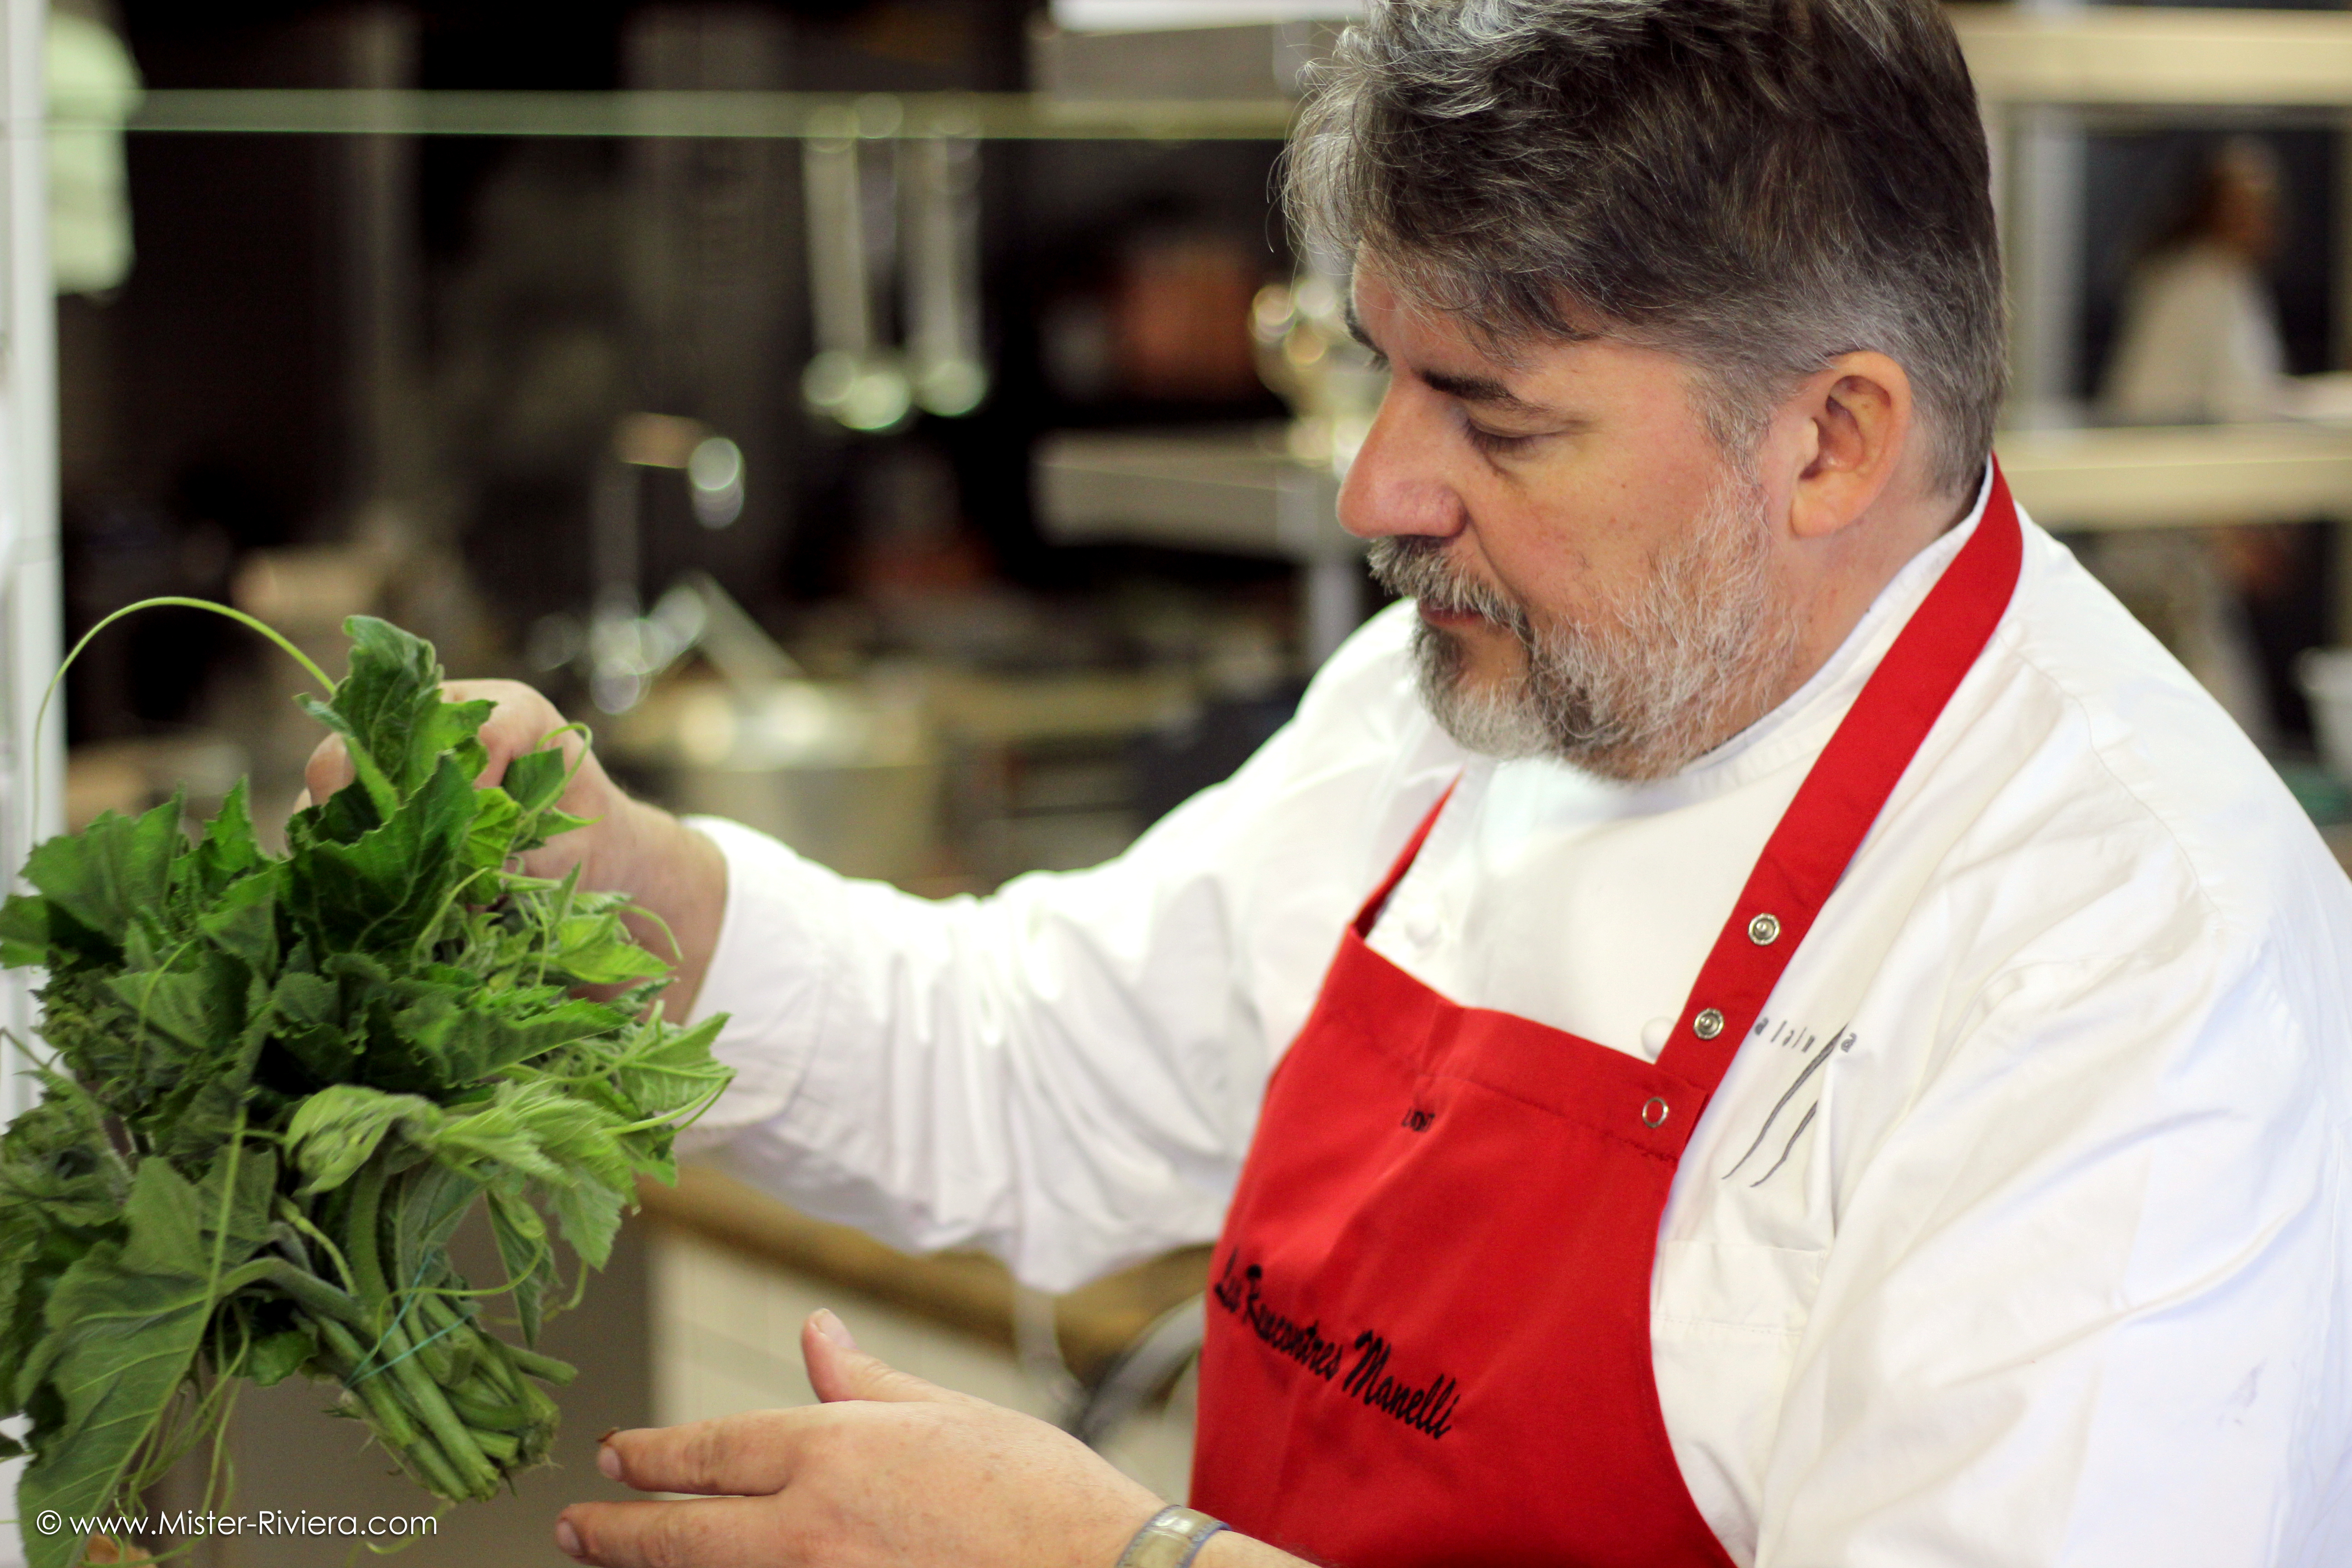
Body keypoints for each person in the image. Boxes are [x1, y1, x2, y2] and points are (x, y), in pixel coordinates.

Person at [311, 3, 2352, 1564]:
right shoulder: (1477, 695)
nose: (1379, 486)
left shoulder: (2131, 958)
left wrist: (1112, 1556)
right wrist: (653, 900)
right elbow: (1043, 1066)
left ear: (1830, 440)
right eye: (1383, 365)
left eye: (1492, 412)